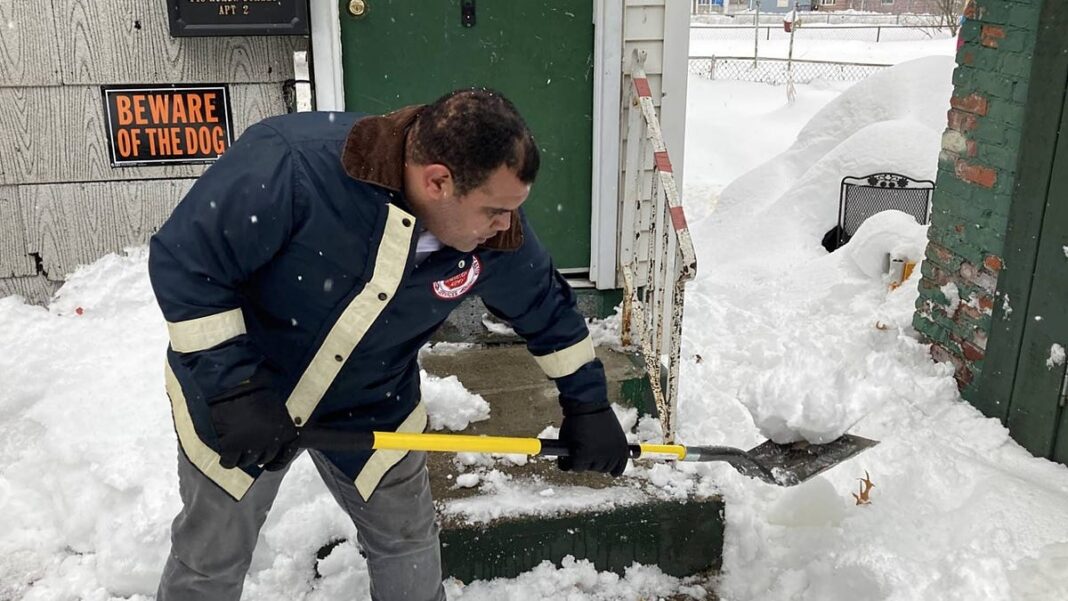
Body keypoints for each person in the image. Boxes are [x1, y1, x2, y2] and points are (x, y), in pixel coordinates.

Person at [148, 88, 630, 600]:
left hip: (372, 402)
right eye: (494, 209)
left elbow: (549, 311)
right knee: (210, 559)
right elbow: (189, 262)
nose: (507, 225)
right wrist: (233, 388)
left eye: (512, 210)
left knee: (408, 545)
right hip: (246, 398)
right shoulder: (294, 165)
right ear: (438, 181)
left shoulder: (494, 236)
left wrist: (589, 405)